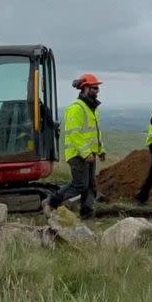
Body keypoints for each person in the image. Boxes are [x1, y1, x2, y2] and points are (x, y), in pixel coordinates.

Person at [47, 73, 106, 218]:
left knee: (91, 186)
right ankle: (52, 202)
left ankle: (86, 212)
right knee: (80, 185)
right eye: (94, 88)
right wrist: (86, 153)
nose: (97, 91)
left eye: (97, 88)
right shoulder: (76, 108)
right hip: (78, 155)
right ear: (84, 89)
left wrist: (100, 150)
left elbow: (95, 134)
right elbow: (74, 134)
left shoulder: (91, 109)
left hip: (89, 155)